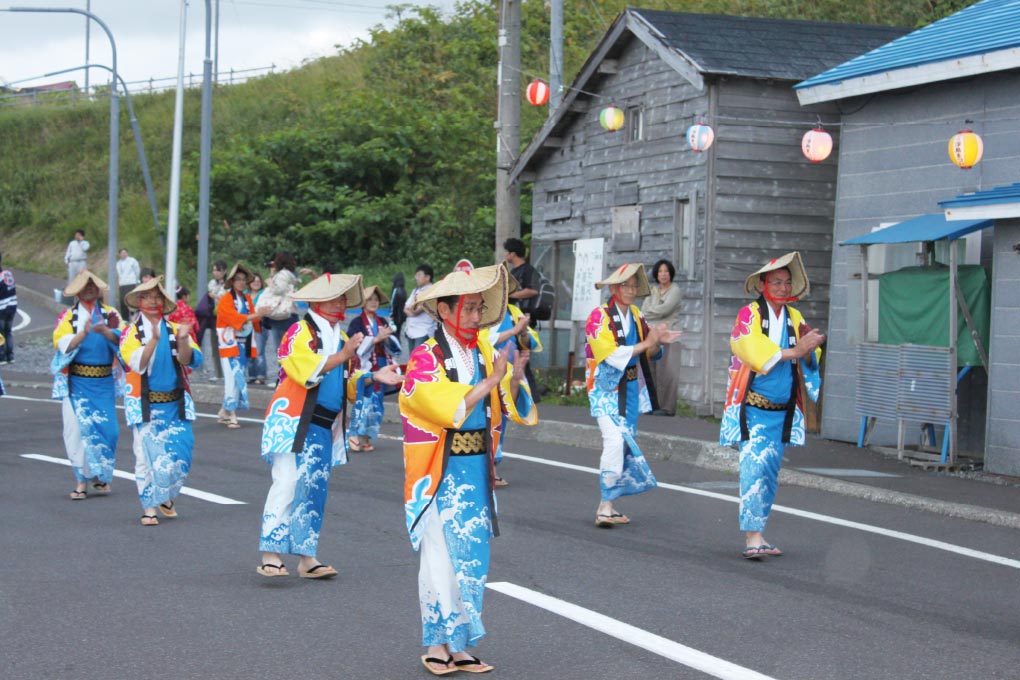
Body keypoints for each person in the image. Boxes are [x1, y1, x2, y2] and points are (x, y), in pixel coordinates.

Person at [399, 264, 537, 676]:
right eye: (470, 309)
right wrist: (494, 377)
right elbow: (442, 407)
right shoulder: (426, 355)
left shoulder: (483, 352)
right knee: (440, 557)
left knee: (472, 557)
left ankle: (459, 643)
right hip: (440, 469)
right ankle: (436, 642)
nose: (477, 317)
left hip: (475, 465)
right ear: (444, 310)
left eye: (480, 309)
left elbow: (505, 404)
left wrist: (513, 376)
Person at [257, 273, 402, 578]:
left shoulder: (336, 337)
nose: (341, 304)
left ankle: (306, 556)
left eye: (342, 299)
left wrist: (373, 376)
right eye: (335, 299)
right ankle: (270, 551)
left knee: (314, 488)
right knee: (287, 482)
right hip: (296, 420)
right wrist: (345, 354)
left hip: (323, 425)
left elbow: (345, 377)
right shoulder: (300, 331)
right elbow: (304, 370)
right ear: (317, 302)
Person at [720, 252, 824, 560]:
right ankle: (753, 537)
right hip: (753, 408)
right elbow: (746, 347)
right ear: (763, 284)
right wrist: (794, 351)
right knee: (754, 469)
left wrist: (808, 351)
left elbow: (808, 360)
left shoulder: (795, 318)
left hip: (783, 410)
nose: (781, 287)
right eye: (776, 282)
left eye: (786, 282)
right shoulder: (749, 314)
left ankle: (759, 532)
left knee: (769, 471)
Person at [585, 263, 680, 527]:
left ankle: (609, 504)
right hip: (605, 389)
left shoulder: (638, 316)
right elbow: (609, 354)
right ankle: (605, 505)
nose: (630, 289)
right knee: (614, 440)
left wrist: (658, 341)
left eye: (634, 285)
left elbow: (648, 352)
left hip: (630, 390)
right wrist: (649, 342)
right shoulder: (598, 316)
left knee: (625, 442)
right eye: (625, 285)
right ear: (614, 288)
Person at [119, 277, 203, 526]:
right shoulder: (131, 333)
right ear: (140, 302)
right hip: (146, 404)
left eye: (157, 297)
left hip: (175, 403)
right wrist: (153, 339)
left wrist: (185, 339)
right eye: (148, 297)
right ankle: (149, 508)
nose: (153, 301)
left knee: (181, 455)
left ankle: (164, 494)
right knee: (145, 458)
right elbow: (137, 363)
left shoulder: (177, 329)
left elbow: (190, 361)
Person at [51, 270, 123, 500]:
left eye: (93, 286)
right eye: (85, 286)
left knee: (108, 430)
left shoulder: (111, 314)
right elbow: (61, 344)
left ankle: (101, 476)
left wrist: (107, 332)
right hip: (77, 382)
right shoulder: (68, 317)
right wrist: (82, 334)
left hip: (103, 382)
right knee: (78, 431)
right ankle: (81, 480)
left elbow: (126, 339)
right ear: (78, 292)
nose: (90, 289)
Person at [485, 264, 542, 486]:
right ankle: (486, 467)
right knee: (488, 416)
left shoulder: (514, 311)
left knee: (503, 418)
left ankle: (492, 465)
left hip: (510, 373)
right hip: (486, 372)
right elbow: (483, 340)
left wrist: (524, 332)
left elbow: (530, 342)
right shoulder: (482, 311)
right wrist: (513, 331)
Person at [346, 285, 401, 452]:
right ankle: (354, 434)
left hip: (381, 364)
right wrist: (375, 339)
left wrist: (385, 339)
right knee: (363, 401)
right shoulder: (356, 323)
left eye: (376, 300)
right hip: (365, 367)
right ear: (363, 302)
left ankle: (366, 437)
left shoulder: (382, 322)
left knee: (376, 403)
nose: (374, 302)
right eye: (370, 299)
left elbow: (395, 345)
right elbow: (353, 345)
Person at [215, 263, 264, 428]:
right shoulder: (225, 300)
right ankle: (232, 414)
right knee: (232, 377)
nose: (241, 283)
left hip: (243, 343)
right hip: (229, 343)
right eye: (238, 280)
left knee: (239, 376)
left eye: (244, 280)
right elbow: (232, 317)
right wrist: (256, 315)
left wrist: (260, 315)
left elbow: (253, 319)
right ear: (232, 282)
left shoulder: (247, 299)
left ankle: (224, 411)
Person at [641, 259, 684, 416]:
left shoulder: (675, 290)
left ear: (670, 273)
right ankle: (652, 405)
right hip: (653, 335)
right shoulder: (653, 291)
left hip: (670, 336)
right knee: (651, 371)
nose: (663, 274)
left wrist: (649, 311)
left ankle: (667, 408)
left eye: (666, 271)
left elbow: (665, 309)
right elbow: (643, 309)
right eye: (660, 271)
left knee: (668, 373)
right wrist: (651, 311)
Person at [261, 252, 301, 365]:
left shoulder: (283, 274)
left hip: (281, 314)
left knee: (281, 349)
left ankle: (283, 377)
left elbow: (279, 290)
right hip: (290, 313)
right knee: (289, 347)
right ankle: (287, 376)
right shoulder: (291, 274)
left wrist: (270, 282)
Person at [195, 260, 227, 380]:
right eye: (214, 270)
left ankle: (226, 372)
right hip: (213, 316)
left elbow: (226, 298)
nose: (216, 273)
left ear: (224, 271)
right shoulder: (212, 283)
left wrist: (216, 296)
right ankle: (218, 373)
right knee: (215, 345)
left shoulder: (228, 284)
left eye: (218, 270)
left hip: (224, 317)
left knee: (225, 344)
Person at [403, 263, 437, 352]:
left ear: (427, 277)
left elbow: (416, 310)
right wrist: (412, 309)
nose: (416, 278)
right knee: (412, 360)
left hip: (423, 331)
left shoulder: (431, 292)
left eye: (419, 275)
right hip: (411, 330)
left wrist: (411, 309)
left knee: (420, 359)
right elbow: (405, 308)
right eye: (416, 275)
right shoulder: (415, 290)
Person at [247, 271, 268, 385]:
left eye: (258, 281)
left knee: (259, 351)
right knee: (249, 351)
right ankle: (252, 375)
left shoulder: (264, 293)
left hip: (259, 325)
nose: (256, 283)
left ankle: (261, 376)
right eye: (254, 281)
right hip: (246, 326)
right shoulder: (244, 294)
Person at [0, 253, 17, 364]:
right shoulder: (8, 274)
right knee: (8, 331)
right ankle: (10, 355)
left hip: (2, 307)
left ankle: (1, 356)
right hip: (13, 306)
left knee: (0, 332)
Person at [116, 248, 141, 319]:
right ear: (119, 254)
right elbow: (119, 275)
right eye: (122, 253)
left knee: (132, 300)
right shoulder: (118, 263)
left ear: (127, 253)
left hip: (131, 283)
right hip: (122, 284)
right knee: (123, 301)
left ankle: (136, 316)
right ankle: (125, 318)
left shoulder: (132, 261)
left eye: (125, 252)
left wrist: (137, 280)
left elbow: (137, 270)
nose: (123, 254)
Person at [390, 272, 408, 337]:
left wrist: (391, 315)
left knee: (393, 334)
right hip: (402, 316)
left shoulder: (396, 290)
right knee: (398, 333)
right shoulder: (403, 290)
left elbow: (393, 303)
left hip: (396, 316)